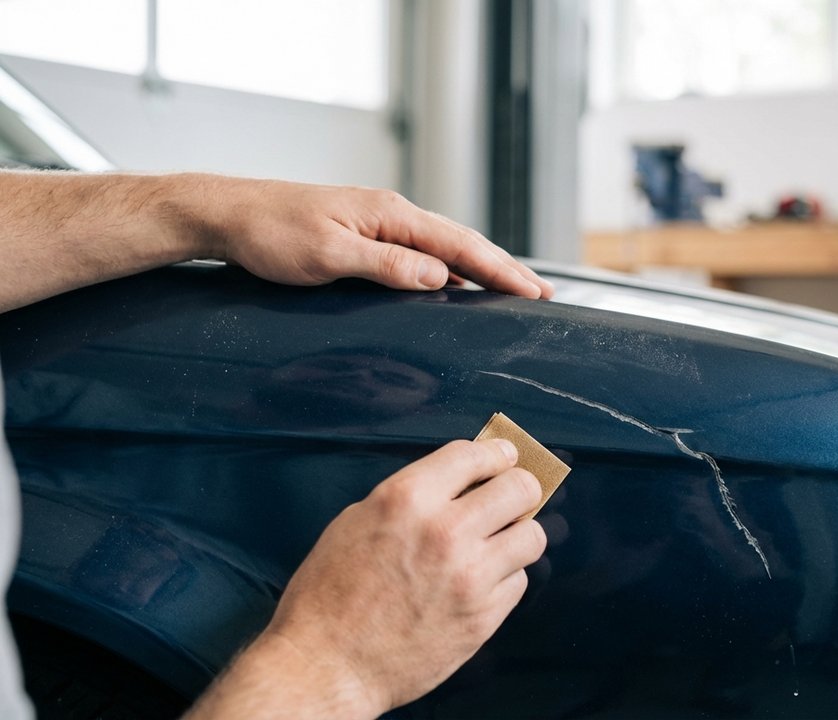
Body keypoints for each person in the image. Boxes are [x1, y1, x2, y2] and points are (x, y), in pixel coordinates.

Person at [0, 170, 556, 718]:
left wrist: (210, 209)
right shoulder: (99, 405)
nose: (359, 377)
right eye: (341, 362)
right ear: (284, 367)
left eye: (389, 381)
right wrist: (333, 668)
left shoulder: (338, 489)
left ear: (416, 414)